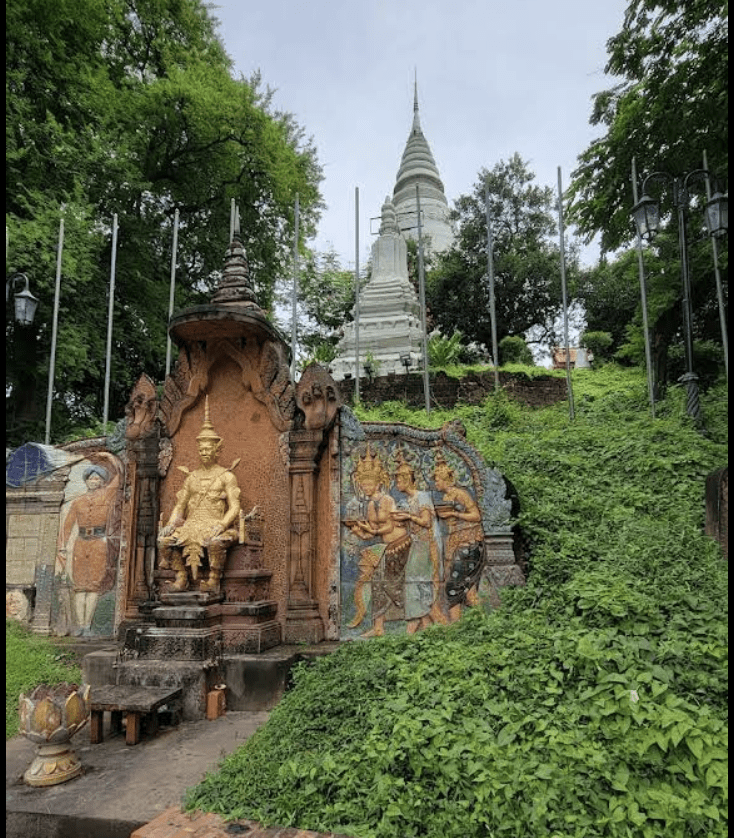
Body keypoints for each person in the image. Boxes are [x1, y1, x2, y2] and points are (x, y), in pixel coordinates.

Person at [158, 398, 241, 593]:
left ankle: (214, 580)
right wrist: (170, 524)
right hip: (191, 524)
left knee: (215, 542)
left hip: (216, 523)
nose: (204, 452)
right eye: (201, 449)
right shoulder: (191, 478)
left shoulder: (226, 476)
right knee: (164, 542)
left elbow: (235, 507)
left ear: (217, 451)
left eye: (208, 449)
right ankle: (181, 577)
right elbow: (180, 505)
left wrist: (221, 525)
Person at [344, 446, 410, 637]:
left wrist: (367, 528)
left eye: (369, 483)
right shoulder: (371, 505)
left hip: (400, 545)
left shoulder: (387, 499)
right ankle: (379, 627)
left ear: (378, 482)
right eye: (363, 484)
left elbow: (389, 527)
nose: (365, 487)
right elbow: (372, 534)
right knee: (377, 582)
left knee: (389, 583)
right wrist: (357, 530)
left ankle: (414, 614)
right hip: (386, 546)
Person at [56, 454, 122, 635]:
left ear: (102, 482)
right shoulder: (78, 502)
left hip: (98, 544)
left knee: (93, 584)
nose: (93, 481)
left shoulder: (107, 496)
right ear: (86, 482)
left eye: (97, 479)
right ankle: (80, 626)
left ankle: (87, 626)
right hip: (80, 544)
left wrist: (110, 457)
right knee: (79, 585)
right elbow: (67, 526)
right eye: (91, 478)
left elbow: (119, 476)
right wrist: (62, 546)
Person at [391, 454, 447, 633]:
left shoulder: (422, 496)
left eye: (399, 479)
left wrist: (408, 516)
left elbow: (426, 522)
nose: (396, 483)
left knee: (416, 582)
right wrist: (403, 519)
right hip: (418, 544)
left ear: (407, 479)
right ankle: (425, 625)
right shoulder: (409, 500)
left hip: (426, 545)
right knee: (414, 583)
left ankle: (421, 623)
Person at [432, 453, 484, 622]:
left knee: (453, 586)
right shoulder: (446, 497)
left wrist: (455, 513)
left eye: (438, 480)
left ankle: (456, 626)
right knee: (467, 589)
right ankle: (480, 623)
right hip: (457, 542)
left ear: (446, 480)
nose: (436, 483)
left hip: (468, 543)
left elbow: (476, 515)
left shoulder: (460, 494)